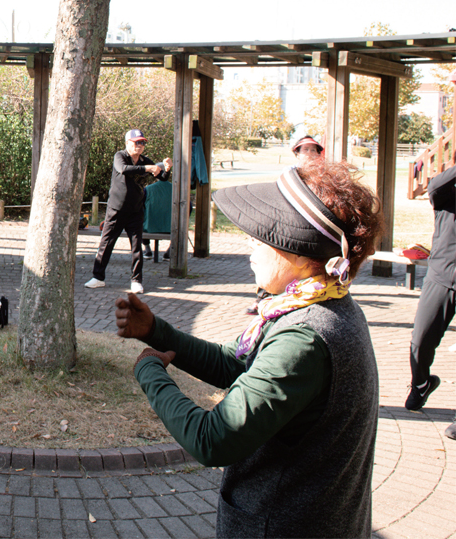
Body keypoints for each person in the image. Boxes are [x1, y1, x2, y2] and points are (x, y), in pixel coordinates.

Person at [117, 158, 384, 537]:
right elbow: (237, 363)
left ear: (305, 257)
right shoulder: (325, 303)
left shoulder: (304, 339)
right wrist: (157, 332)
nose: (251, 245)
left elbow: (213, 439)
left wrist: (150, 373)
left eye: (265, 238)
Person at [244, 136, 327, 315]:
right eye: (306, 150)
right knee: (276, 263)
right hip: (289, 224)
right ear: (297, 153)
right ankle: (262, 299)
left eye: (314, 150)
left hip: (311, 227)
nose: (310, 154)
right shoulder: (290, 173)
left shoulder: (322, 176)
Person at [405, 164, 455, 441]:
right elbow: (434, 186)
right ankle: (421, 384)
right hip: (441, 276)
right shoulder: (447, 196)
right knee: (421, 340)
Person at [85, 129, 171, 293]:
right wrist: (148, 168)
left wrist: (166, 169)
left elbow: (162, 177)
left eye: (142, 143)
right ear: (127, 143)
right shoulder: (120, 156)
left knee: (137, 246)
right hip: (116, 210)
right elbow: (124, 169)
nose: (140, 146)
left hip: (135, 211)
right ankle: (98, 277)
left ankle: (136, 280)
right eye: (136, 142)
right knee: (106, 244)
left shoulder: (146, 161)